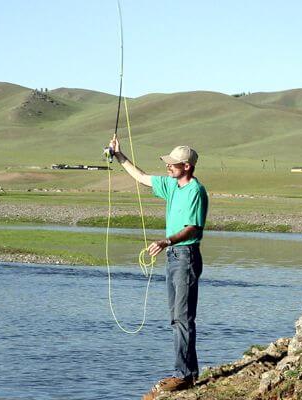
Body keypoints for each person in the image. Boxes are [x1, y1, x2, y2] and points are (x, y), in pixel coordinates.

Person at [108, 137, 208, 396]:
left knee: (184, 318)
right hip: (173, 257)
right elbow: (141, 177)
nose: (168, 166)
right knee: (177, 318)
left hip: (186, 255)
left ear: (186, 166)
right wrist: (119, 155)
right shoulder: (171, 185)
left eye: (173, 164)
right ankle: (188, 372)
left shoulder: (196, 191)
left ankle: (183, 375)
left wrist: (166, 240)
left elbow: (192, 228)